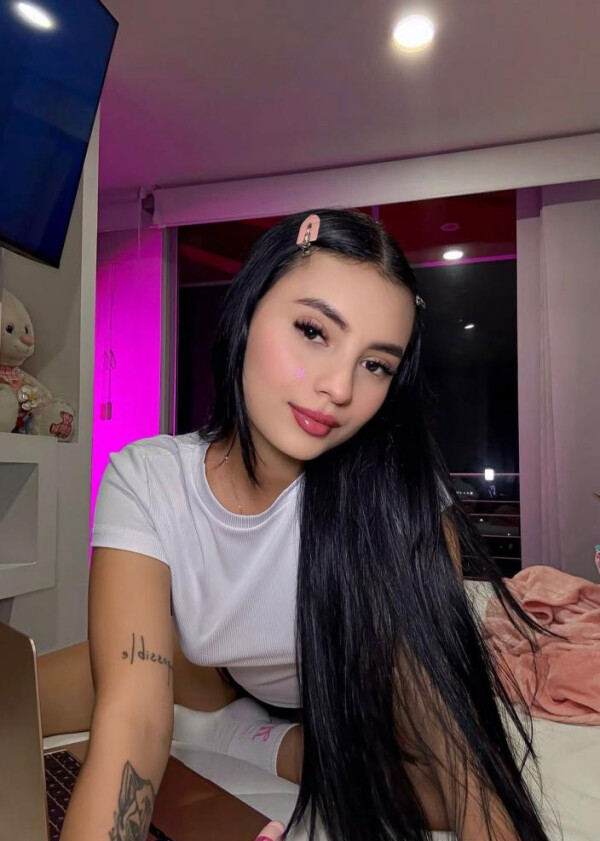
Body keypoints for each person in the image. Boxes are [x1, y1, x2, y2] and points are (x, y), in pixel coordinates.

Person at [59, 208, 558, 841]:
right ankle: (233, 727)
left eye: (375, 364)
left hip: (345, 704)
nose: (340, 388)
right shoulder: (149, 479)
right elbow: (133, 723)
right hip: (201, 675)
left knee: (413, 793)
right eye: (314, 331)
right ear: (250, 308)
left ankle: (251, 737)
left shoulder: (394, 495)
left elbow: (447, 728)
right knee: (19, 697)